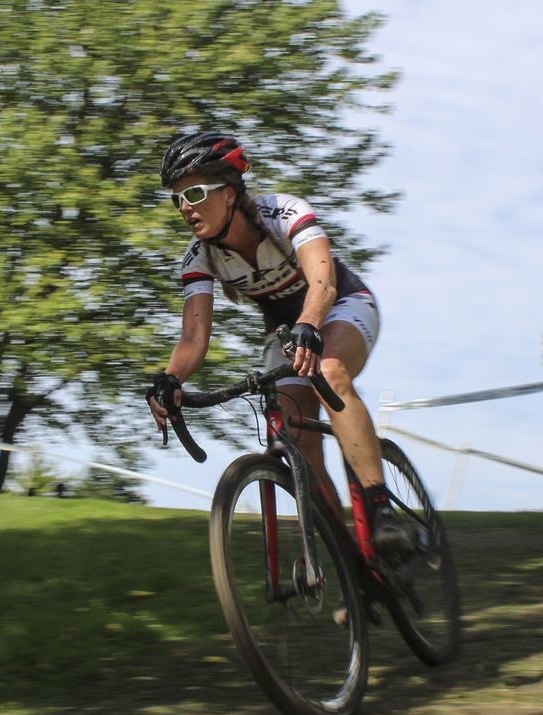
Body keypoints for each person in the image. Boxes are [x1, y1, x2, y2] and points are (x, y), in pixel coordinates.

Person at [145, 131, 411, 561]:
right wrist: (171, 378)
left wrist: (309, 323)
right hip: (288, 331)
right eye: (177, 199)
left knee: (329, 372)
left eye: (193, 193)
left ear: (229, 193)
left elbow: (322, 283)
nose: (185, 208)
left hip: (342, 305)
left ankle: (381, 510)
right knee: (292, 430)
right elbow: (194, 337)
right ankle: (347, 555)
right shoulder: (200, 257)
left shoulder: (283, 213)